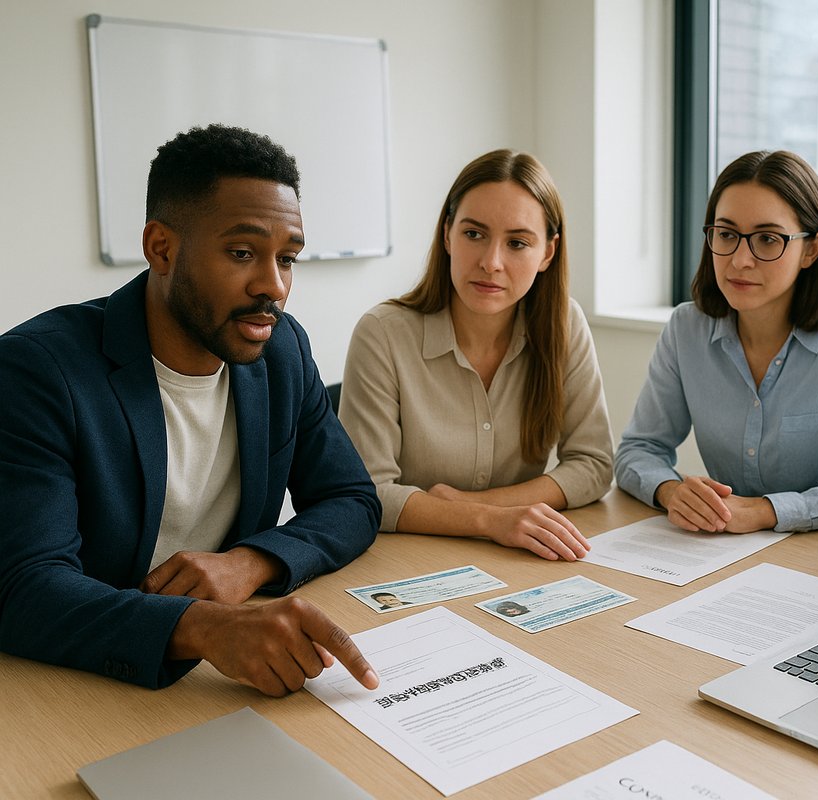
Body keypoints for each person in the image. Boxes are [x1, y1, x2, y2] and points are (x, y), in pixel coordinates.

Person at [0, 124, 382, 696]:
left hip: (227, 675)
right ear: (162, 248)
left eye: (288, 258)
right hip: (79, 679)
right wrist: (201, 627)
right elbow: (25, 587)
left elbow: (350, 499)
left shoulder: (282, 350)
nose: (273, 286)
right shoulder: (38, 371)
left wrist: (250, 563)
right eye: (242, 253)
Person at [338, 150, 613, 561]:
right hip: (403, 563)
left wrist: (484, 505)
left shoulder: (564, 323)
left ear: (548, 254)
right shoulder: (382, 334)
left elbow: (593, 464)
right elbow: (367, 491)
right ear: (447, 233)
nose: (491, 262)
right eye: (474, 234)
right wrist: (486, 520)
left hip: (517, 559)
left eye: (517, 242)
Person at [616, 150, 818, 534]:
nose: (740, 260)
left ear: (811, 249)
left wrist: (766, 511)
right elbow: (637, 451)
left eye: (767, 239)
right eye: (726, 234)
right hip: (720, 550)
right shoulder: (686, 327)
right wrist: (672, 492)